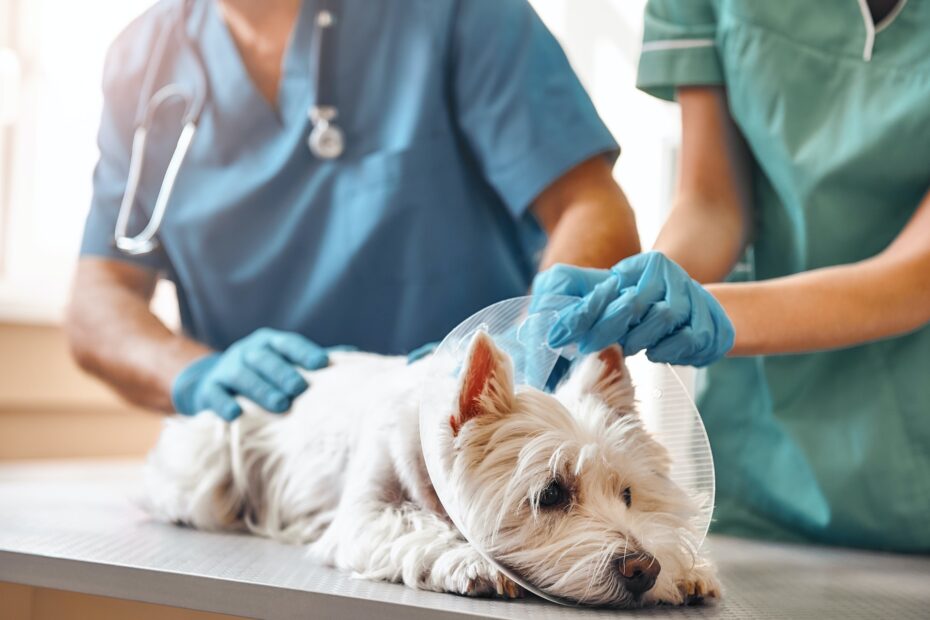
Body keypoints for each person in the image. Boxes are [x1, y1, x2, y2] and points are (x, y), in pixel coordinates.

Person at [68, 0, 641, 422]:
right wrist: (191, 374)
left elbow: (589, 206)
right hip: (266, 458)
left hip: (465, 438)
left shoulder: (456, 14)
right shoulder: (142, 61)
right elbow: (101, 294)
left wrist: (530, 349)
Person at [533, 0, 930, 552]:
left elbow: (919, 273)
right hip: (761, 467)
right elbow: (713, 201)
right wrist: (649, 286)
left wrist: (714, 311)